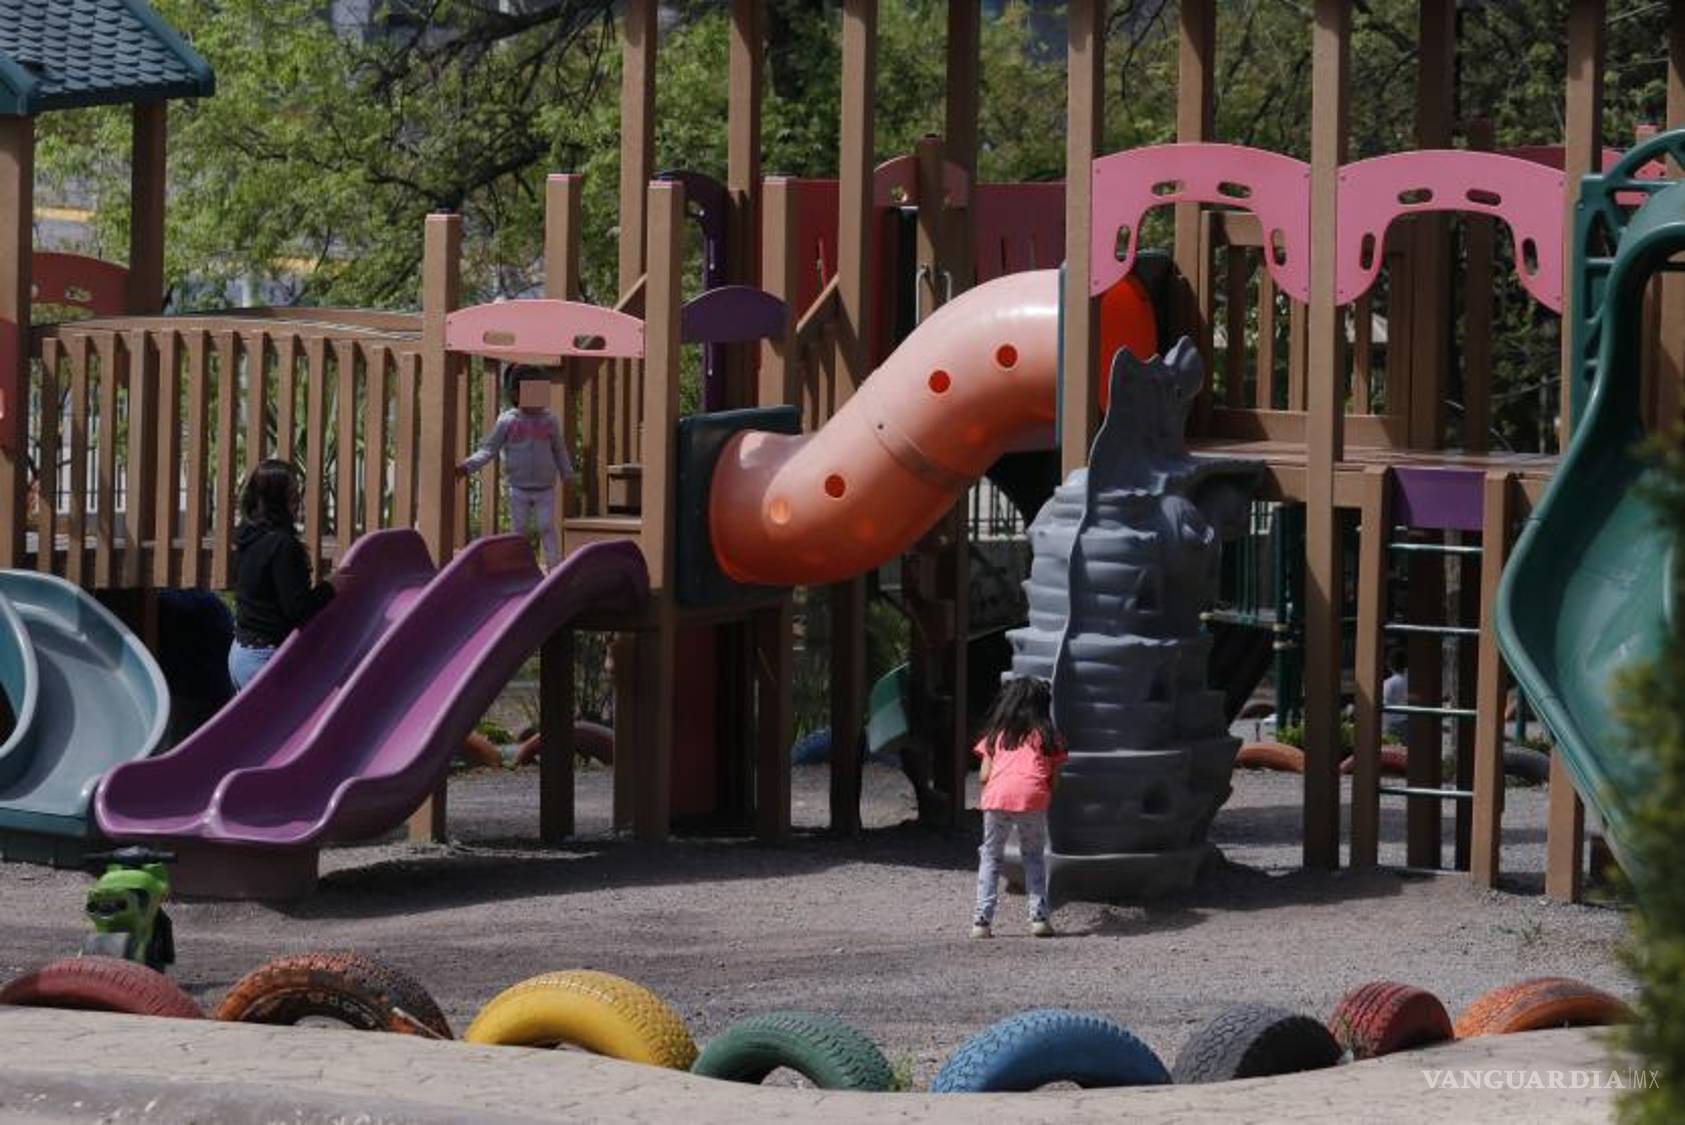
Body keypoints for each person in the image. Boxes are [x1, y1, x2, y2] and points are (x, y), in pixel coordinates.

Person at [971, 676, 1068, 939]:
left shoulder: (995, 737)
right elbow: (1054, 781)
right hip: (1033, 798)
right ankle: (1039, 918)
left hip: (997, 799)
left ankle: (981, 922)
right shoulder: (1049, 738)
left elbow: (983, 776)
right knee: (1033, 856)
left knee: (991, 855)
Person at [229, 460, 335, 690]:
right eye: (293, 496)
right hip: (264, 658)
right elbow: (298, 609)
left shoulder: (248, 535)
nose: (299, 504)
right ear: (276, 500)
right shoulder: (282, 545)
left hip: (241, 653)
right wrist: (332, 587)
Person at [457, 364, 573, 569]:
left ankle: (554, 566)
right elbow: (489, 449)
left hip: (545, 487)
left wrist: (567, 473)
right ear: (516, 394)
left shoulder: (549, 420)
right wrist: (468, 466)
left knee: (546, 526)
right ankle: (518, 566)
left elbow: (559, 449)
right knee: (518, 530)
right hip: (518, 488)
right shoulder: (508, 421)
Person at [1382, 649, 1408, 741]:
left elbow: (1384, 703)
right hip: (1406, 723)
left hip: (1391, 726)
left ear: (1390, 665)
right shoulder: (1410, 680)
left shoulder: (1388, 683)